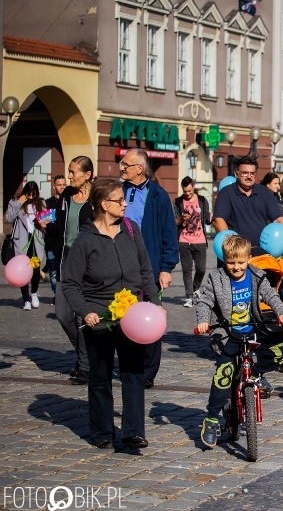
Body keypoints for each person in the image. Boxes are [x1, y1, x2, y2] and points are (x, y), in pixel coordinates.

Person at [60, 178, 162, 449]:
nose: (125, 203)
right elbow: (69, 283)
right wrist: (84, 311)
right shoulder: (84, 241)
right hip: (99, 318)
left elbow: (144, 270)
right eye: (120, 200)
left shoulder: (131, 230)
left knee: (133, 372)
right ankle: (102, 431)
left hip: (132, 317)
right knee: (100, 375)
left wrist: (154, 302)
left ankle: (133, 431)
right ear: (104, 205)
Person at [194, 235, 283, 448]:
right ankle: (211, 419)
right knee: (224, 374)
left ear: (248, 259)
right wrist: (203, 321)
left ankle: (255, 374)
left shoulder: (257, 276)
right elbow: (205, 301)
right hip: (228, 333)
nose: (236, 267)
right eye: (231, 263)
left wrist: (281, 312)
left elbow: (271, 296)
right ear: (224, 260)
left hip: (253, 329)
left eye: (240, 262)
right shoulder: (216, 278)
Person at [120, 148, 179, 389]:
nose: (121, 167)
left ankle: (148, 371)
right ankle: (130, 363)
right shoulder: (119, 192)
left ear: (140, 169)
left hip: (149, 266)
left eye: (126, 164)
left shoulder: (158, 196)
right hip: (123, 264)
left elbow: (168, 234)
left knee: (150, 317)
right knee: (123, 314)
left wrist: (166, 268)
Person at [54, 156, 95, 384]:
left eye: (73, 172)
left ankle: (85, 366)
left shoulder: (97, 200)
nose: (69, 176)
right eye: (69, 171)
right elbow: (60, 228)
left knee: (83, 317)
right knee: (62, 314)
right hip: (65, 260)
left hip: (87, 265)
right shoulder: (67, 196)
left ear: (87, 174)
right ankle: (84, 355)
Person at [214, 156, 283, 255]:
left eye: (252, 173)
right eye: (245, 173)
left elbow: (278, 219)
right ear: (236, 174)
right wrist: (233, 247)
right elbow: (219, 220)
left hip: (261, 253)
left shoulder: (264, 192)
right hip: (235, 255)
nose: (249, 176)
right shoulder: (226, 193)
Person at [5, 182, 47, 310]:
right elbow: (9, 218)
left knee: (35, 270)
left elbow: (47, 221)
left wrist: (44, 223)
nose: (31, 197)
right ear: (25, 192)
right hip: (22, 241)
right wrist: (19, 203)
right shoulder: (15, 201)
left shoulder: (41, 203)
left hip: (35, 240)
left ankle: (33, 293)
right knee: (22, 270)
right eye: (29, 194)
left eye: (33, 194)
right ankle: (26, 300)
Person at [174, 177, 212, 308]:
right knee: (186, 270)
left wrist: (210, 218)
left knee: (201, 269)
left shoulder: (202, 200)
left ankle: (196, 288)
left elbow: (207, 219)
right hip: (184, 240)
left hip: (200, 240)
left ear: (193, 187)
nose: (187, 194)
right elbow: (175, 222)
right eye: (185, 191)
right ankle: (189, 297)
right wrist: (181, 219)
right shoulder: (178, 202)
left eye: (189, 191)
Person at [45, 175, 67, 296]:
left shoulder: (68, 201)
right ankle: (56, 294)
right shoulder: (49, 203)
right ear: (54, 186)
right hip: (52, 242)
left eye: (64, 185)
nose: (62, 187)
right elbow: (45, 222)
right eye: (59, 185)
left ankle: (64, 295)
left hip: (65, 242)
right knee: (53, 271)